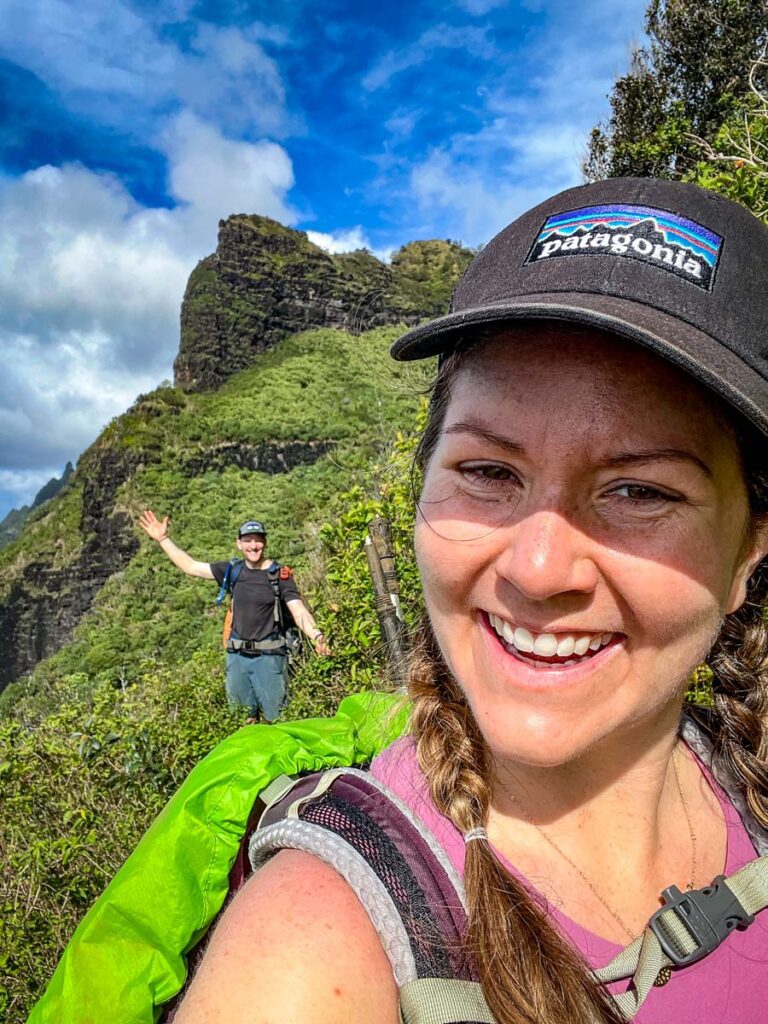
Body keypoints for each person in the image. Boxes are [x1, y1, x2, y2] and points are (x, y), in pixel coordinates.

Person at [177, 177, 768, 1024]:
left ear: (750, 551)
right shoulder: (310, 945)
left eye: (639, 491)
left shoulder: (749, 784)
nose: (535, 568)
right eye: (489, 473)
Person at [138, 512, 330, 721]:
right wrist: (163, 539)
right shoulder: (232, 571)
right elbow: (190, 567)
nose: (253, 546)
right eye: (247, 541)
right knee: (242, 720)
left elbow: (298, 610)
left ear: (265, 543)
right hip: (237, 658)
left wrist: (317, 636)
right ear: (239, 544)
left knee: (280, 720)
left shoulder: (279, 575)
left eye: (257, 541)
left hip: (269, 656)